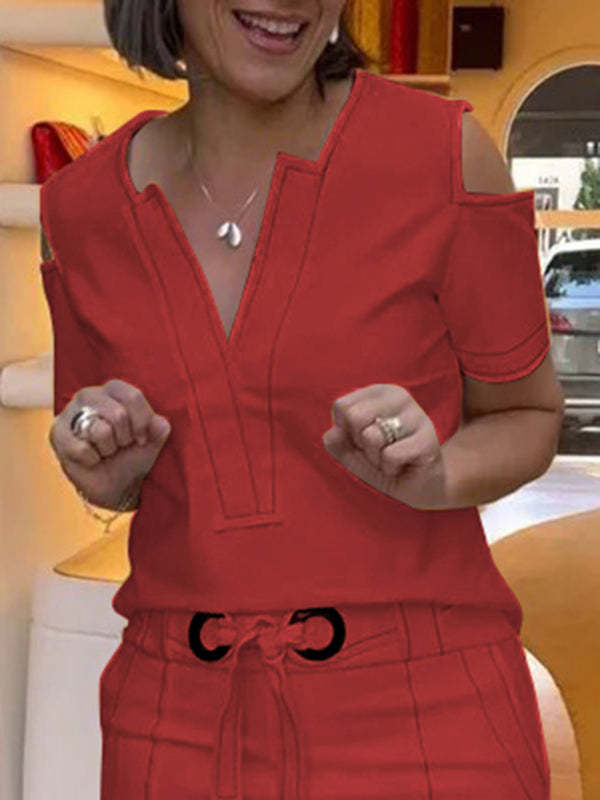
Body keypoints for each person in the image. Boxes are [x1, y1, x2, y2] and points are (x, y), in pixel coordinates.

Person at [39, 0, 563, 798]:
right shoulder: (79, 210)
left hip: (429, 710)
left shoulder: (442, 154)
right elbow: (102, 456)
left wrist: (440, 475)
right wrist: (110, 472)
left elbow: (529, 414)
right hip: (171, 723)